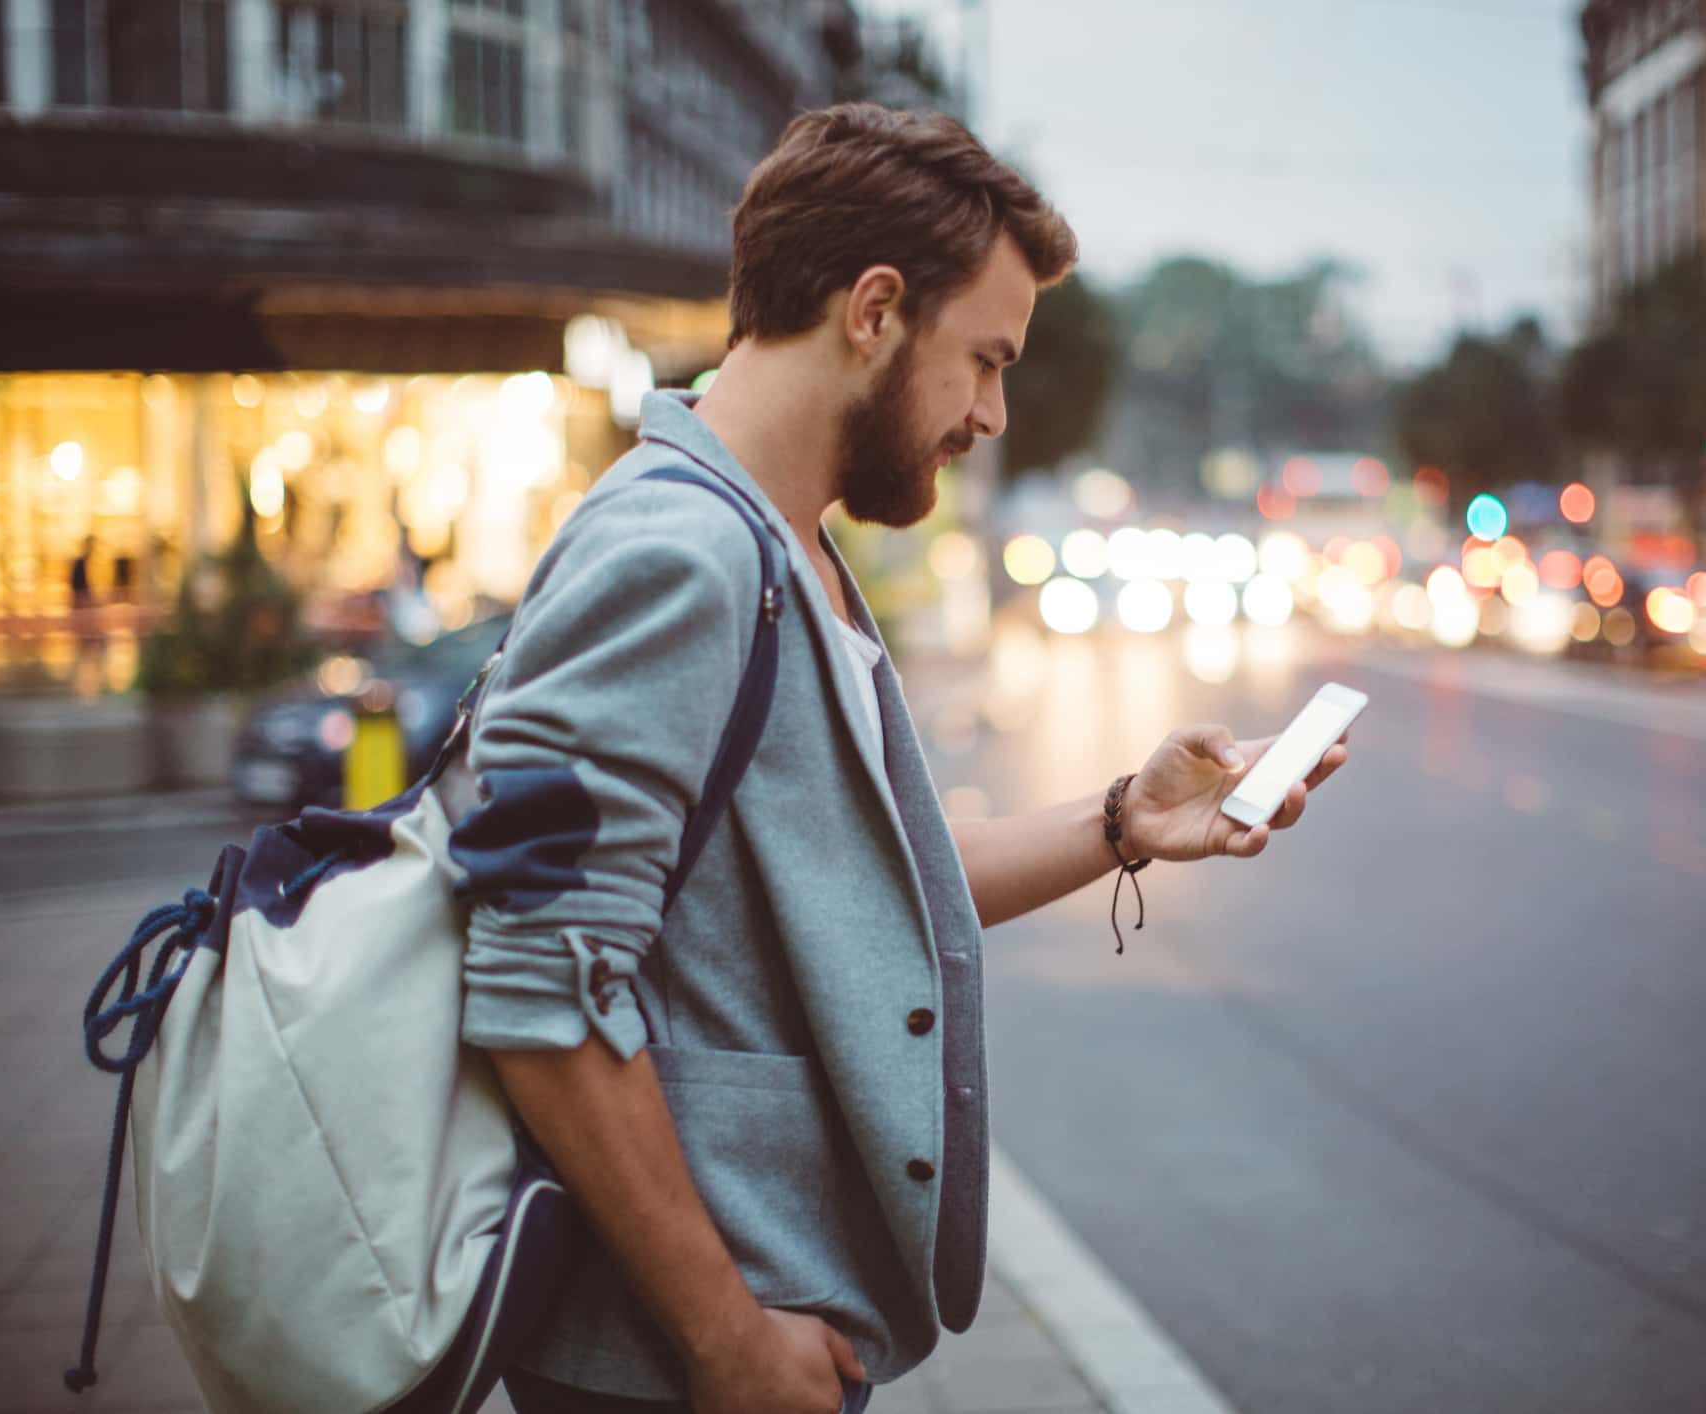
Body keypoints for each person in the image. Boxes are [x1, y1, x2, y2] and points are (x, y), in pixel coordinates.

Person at [457, 104, 1350, 1414]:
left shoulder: (782, 547)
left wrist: (1125, 817)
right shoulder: (677, 553)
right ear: (873, 309)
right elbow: (537, 976)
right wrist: (724, 1339)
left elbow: (868, 889)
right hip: (672, 1362)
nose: (994, 413)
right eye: (984, 360)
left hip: (756, 1330)